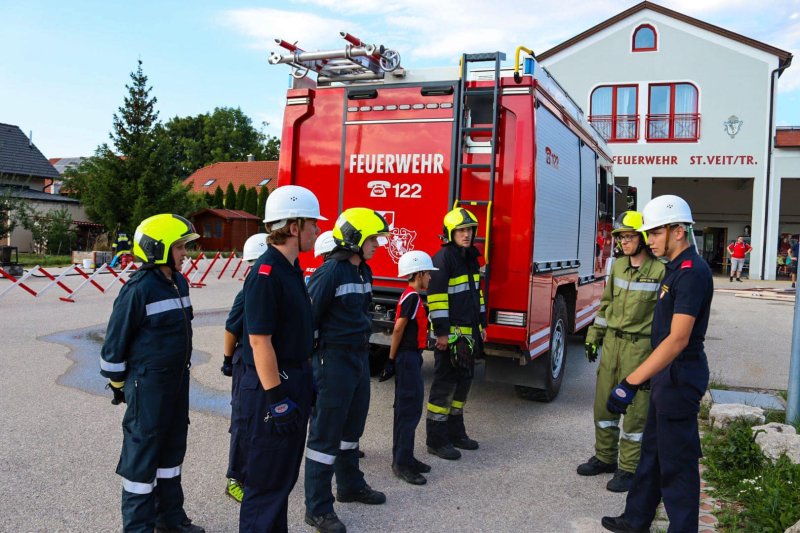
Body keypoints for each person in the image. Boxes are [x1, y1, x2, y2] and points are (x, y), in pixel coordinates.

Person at [601, 195, 713, 533]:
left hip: (680, 376)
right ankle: (636, 519)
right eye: (648, 233)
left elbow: (678, 339)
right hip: (667, 376)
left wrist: (630, 382)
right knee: (651, 453)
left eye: (654, 232)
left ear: (678, 231)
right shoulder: (674, 268)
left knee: (677, 465)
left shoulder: (691, 273)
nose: (648, 240)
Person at [100, 214, 203, 533]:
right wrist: (119, 384)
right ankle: (138, 527)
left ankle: (169, 519)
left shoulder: (178, 283)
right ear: (159, 248)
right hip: (148, 387)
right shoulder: (138, 289)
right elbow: (114, 345)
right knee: (142, 460)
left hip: (176, 383)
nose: (185, 253)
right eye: (180, 247)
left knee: (172, 453)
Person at [237, 185, 326, 532]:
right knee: (267, 482)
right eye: (312, 224)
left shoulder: (290, 269)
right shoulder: (266, 274)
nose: (317, 230)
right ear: (293, 227)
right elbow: (259, 341)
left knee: (283, 478)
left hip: (294, 380)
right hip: (273, 388)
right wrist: (276, 399)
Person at [304, 207, 391, 533]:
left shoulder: (363, 272)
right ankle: (317, 508)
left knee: (352, 429)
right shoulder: (330, 272)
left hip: (358, 360)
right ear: (354, 239)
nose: (377, 245)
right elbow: (308, 320)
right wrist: (315, 361)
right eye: (372, 239)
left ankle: (350, 485)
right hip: (333, 362)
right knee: (325, 435)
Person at [578, 211, 665, 493]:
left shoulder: (660, 271)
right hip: (612, 345)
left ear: (643, 238)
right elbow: (606, 305)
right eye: (621, 237)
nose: (624, 242)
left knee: (636, 412)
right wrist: (594, 336)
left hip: (639, 349)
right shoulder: (617, 266)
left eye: (629, 237)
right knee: (604, 405)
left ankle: (628, 468)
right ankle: (605, 458)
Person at [425, 207, 487, 461]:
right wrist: (441, 334)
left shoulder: (471, 257)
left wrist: (481, 324)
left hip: (469, 336)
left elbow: (476, 294)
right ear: (450, 233)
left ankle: (456, 433)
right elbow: (437, 300)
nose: (466, 234)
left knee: (463, 385)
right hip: (449, 337)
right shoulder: (443, 259)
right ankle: (436, 440)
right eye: (461, 230)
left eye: (470, 229)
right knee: (444, 387)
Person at [378, 250, 438, 485]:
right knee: (407, 411)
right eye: (428, 274)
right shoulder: (412, 297)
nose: (430, 278)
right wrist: (392, 359)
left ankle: (407, 457)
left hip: (411, 357)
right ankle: (401, 463)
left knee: (410, 410)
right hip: (407, 358)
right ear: (419, 274)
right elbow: (398, 328)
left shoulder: (411, 296)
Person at [221, 232, 268, 503]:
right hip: (245, 363)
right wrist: (227, 361)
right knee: (243, 419)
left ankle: (253, 470)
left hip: (260, 361)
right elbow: (231, 329)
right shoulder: (247, 293)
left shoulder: (266, 288)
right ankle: (234, 479)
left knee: (259, 418)